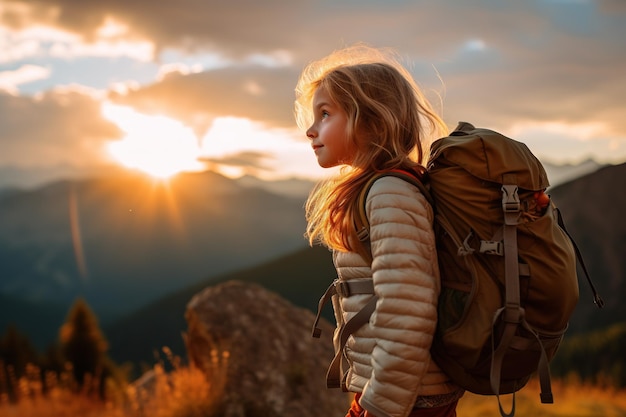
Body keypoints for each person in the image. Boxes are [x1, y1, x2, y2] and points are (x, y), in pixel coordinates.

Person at [294, 44, 464, 417]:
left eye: (325, 114)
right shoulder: (381, 188)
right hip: (403, 392)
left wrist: (381, 405)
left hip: (408, 399)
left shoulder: (389, 193)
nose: (310, 130)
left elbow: (408, 312)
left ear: (370, 119)